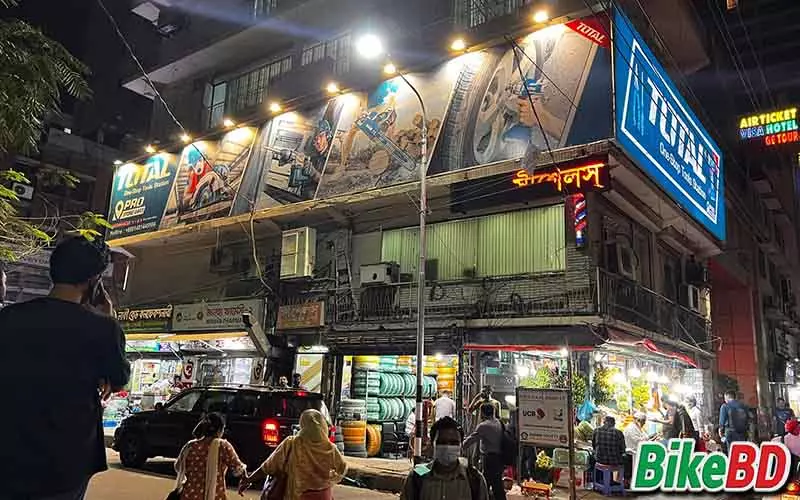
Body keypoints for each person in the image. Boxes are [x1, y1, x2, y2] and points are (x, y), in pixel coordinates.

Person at [0, 237, 131, 499]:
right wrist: (108, 318)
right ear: (94, 281)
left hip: (9, 450)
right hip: (68, 457)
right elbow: (119, 377)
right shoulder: (103, 328)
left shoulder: (8, 318)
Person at [239, 409, 347, 500]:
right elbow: (342, 468)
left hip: (296, 495)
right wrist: (328, 480)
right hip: (323, 496)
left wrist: (248, 479)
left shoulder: (292, 443)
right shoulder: (330, 448)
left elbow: (268, 467)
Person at [401, 416, 489, 500]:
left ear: (461, 446)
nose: (447, 447)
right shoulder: (416, 476)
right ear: (432, 445)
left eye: (453, 443)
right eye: (442, 442)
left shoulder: (474, 478)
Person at [175, 413, 246, 500]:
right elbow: (238, 468)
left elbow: (178, 467)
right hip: (214, 495)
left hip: (189, 494)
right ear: (219, 430)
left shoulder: (190, 446)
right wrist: (246, 480)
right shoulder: (222, 446)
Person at [463, 404, 505, 500]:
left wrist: (460, 447)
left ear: (482, 413)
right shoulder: (499, 422)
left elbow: (471, 439)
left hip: (490, 458)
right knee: (496, 483)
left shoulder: (484, 426)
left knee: (486, 483)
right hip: (499, 458)